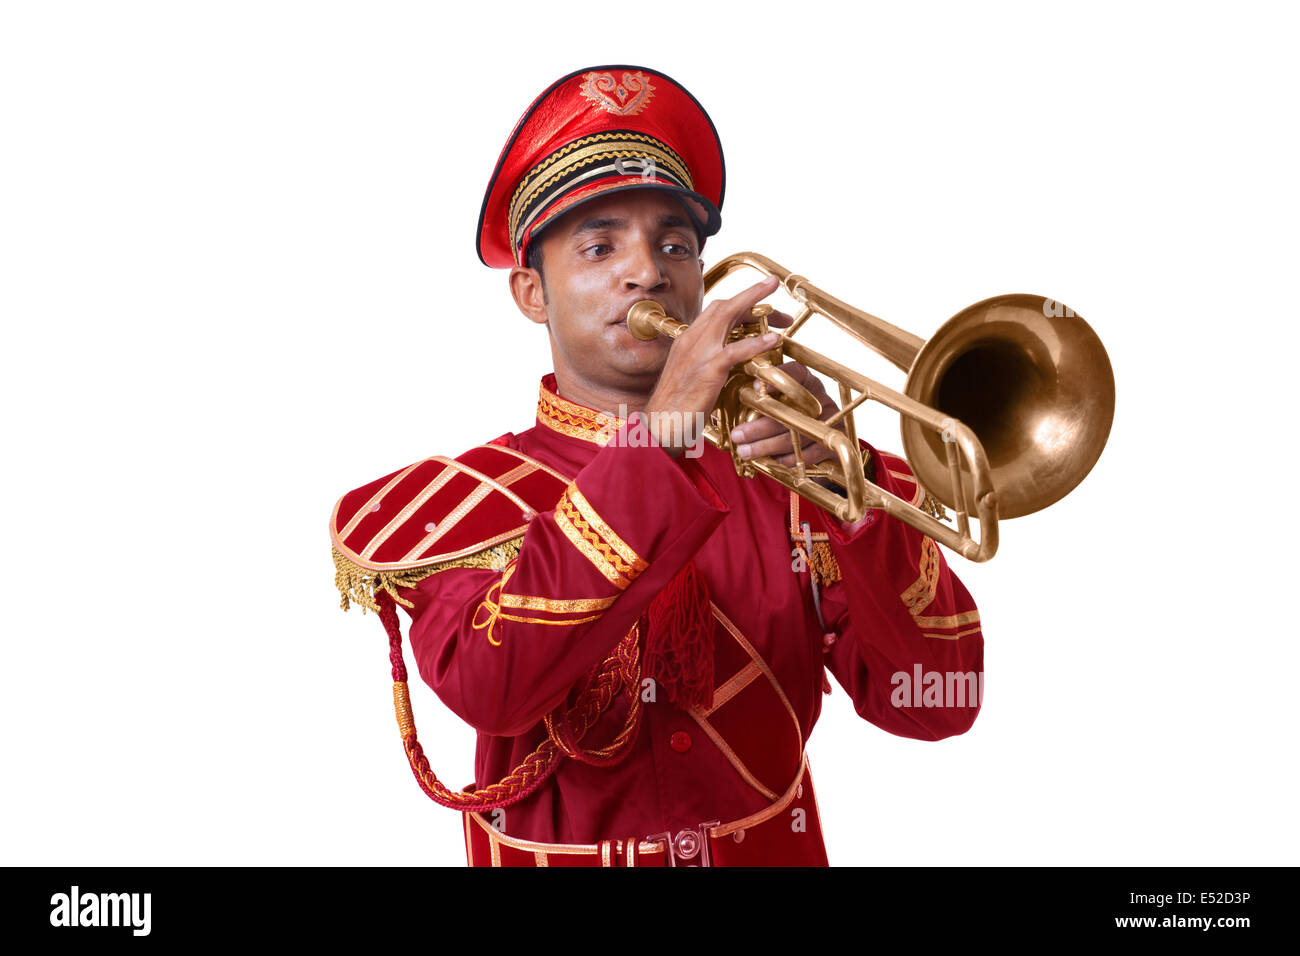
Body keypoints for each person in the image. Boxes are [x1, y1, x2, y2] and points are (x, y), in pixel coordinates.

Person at [329, 65, 984, 867]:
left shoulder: (795, 476)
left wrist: (856, 504)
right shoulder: (460, 502)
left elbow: (939, 705)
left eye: (674, 245)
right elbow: (495, 689)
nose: (647, 271)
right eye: (600, 246)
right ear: (532, 294)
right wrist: (660, 440)